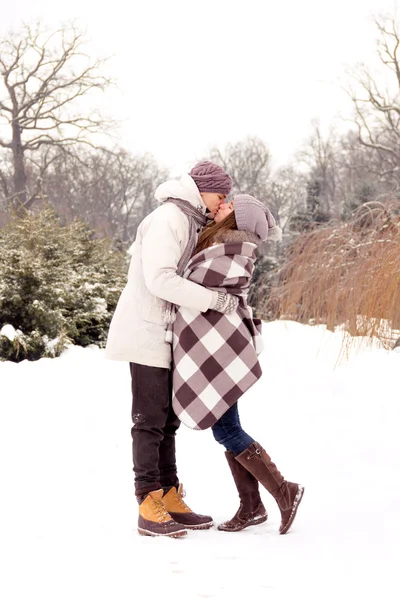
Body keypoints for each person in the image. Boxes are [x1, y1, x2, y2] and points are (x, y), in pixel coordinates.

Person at [105, 161, 238, 538]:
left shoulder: (189, 218)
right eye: (219, 195)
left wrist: (225, 223)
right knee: (148, 420)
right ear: (203, 189)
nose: (221, 202)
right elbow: (160, 278)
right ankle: (147, 501)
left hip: (167, 334)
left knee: (167, 420)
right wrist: (213, 300)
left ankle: (169, 495)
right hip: (147, 331)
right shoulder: (169, 218)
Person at [171, 194, 304, 534]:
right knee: (226, 427)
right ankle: (252, 506)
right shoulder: (219, 245)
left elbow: (191, 288)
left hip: (223, 349)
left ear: (238, 221)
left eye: (228, 206)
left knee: (226, 429)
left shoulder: (231, 252)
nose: (220, 206)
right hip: (221, 350)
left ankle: (283, 491)